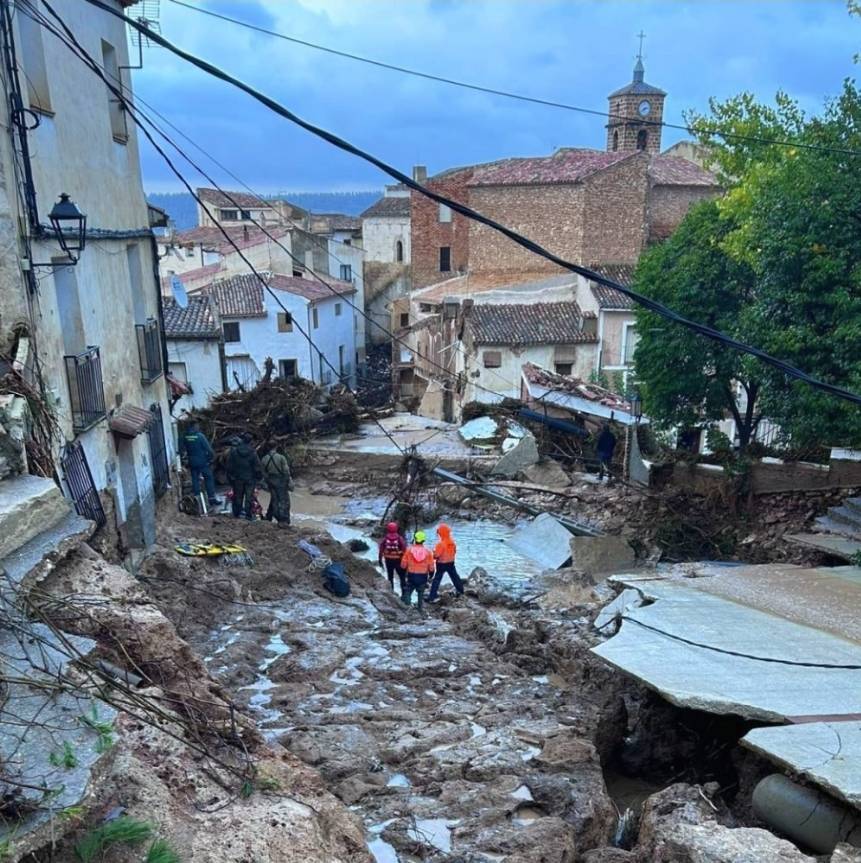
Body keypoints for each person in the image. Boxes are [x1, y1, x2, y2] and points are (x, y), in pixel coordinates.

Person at [180, 422, 220, 507]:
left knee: (195, 479)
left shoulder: (184, 436)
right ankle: (211, 498)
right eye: (198, 426)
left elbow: (181, 448)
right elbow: (208, 449)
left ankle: (196, 499)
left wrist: (184, 459)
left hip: (192, 462)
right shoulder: (200, 436)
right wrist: (211, 458)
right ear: (194, 426)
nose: (199, 427)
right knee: (208, 477)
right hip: (202, 461)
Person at [227, 433, 262, 520]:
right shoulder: (253, 453)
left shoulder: (234, 452)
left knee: (238, 496)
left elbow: (230, 466)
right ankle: (248, 515)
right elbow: (257, 467)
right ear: (251, 441)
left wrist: (231, 477)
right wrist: (259, 477)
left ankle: (236, 514)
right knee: (249, 497)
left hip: (238, 478)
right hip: (250, 479)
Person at [427, 523, 464, 603]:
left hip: (441, 564)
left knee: (436, 580)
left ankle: (432, 597)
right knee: (455, 577)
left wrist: (433, 553)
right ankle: (461, 591)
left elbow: (436, 556)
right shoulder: (452, 542)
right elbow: (454, 552)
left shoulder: (440, 544)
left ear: (441, 533)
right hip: (451, 563)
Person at [400, 530, 435, 611]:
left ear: (415, 539)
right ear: (423, 540)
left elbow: (403, 564)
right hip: (423, 576)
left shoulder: (409, 550)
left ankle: (408, 605)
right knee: (420, 593)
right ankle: (420, 608)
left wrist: (403, 571)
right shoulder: (428, 552)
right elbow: (431, 566)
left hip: (412, 575)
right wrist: (431, 574)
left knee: (408, 591)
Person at [261, 446, 293, 525]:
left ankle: (269, 516)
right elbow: (286, 470)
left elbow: (263, 472)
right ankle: (283, 519)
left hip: (270, 480)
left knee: (274, 499)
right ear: (275, 448)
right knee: (284, 501)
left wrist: (267, 481)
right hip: (281, 481)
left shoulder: (264, 458)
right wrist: (287, 481)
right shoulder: (281, 457)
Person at [377, 521, 407, 594]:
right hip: (398, 560)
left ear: (388, 529)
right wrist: (406, 561)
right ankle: (404, 594)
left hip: (388, 560)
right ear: (396, 529)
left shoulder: (385, 539)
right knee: (402, 578)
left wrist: (380, 560)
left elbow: (381, 550)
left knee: (390, 577)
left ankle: (391, 592)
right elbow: (404, 550)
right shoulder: (400, 539)